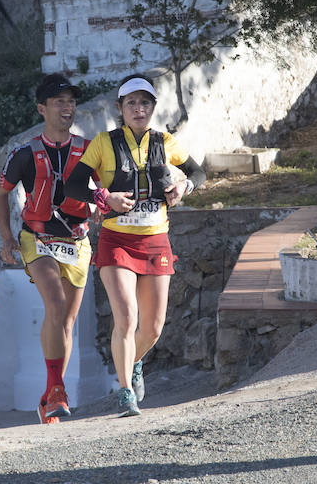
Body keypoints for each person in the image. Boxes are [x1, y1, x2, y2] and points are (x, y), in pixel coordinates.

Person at [65, 73, 206, 417]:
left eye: (145, 102)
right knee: (126, 318)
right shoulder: (103, 143)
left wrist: (183, 187)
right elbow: (72, 185)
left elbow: (198, 173)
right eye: (131, 103)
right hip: (117, 241)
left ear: (153, 107)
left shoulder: (166, 141)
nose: (138, 109)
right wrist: (103, 196)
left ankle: (135, 362)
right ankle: (126, 392)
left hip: (156, 240)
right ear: (120, 108)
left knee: (153, 327)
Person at [0, 73, 98, 425]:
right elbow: (1, 194)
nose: (67, 108)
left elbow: (105, 187)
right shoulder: (24, 154)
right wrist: (7, 237)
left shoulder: (89, 150)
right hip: (37, 238)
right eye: (59, 102)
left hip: (77, 240)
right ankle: (57, 390)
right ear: (42, 109)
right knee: (54, 304)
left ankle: (49, 395)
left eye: (71, 101)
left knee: (65, 321)